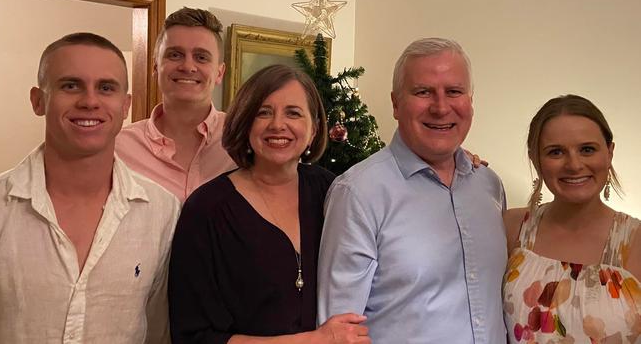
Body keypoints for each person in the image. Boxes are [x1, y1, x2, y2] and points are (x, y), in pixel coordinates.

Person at [0, 33, 180, 342]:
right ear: (38, 101)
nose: (90, 101)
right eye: (70, 85)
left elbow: (159, 331)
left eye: (106, 88)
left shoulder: (162, 212)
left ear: (125, 105)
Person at [317, 38, 508, 343]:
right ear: (395, 103)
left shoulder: (489, 186)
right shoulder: (359, 193)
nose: (441, 107)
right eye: (423, 92)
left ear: (470, 100)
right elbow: (339, 330)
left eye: (454, 92)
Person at [168, 64, 370, 344]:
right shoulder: (206, 210)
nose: (278, 125)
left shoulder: (332, 192)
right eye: (263, 112)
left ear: (313, 128)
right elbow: (193, 337)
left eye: (293, 113)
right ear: (245, 122)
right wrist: (315, 341)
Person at [503, 95, 641, 342]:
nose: (574, 164)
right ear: (536, 159)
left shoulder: (636, 240)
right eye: (556, 152)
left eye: (587, 149)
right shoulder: (511, 228)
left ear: (609, 153)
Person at [116, 7, 235, 201]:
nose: (188, 66)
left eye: (201, 57)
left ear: (219, 73)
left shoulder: (242, 140)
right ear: (155, 66)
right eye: (175, 55)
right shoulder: (119, 148)